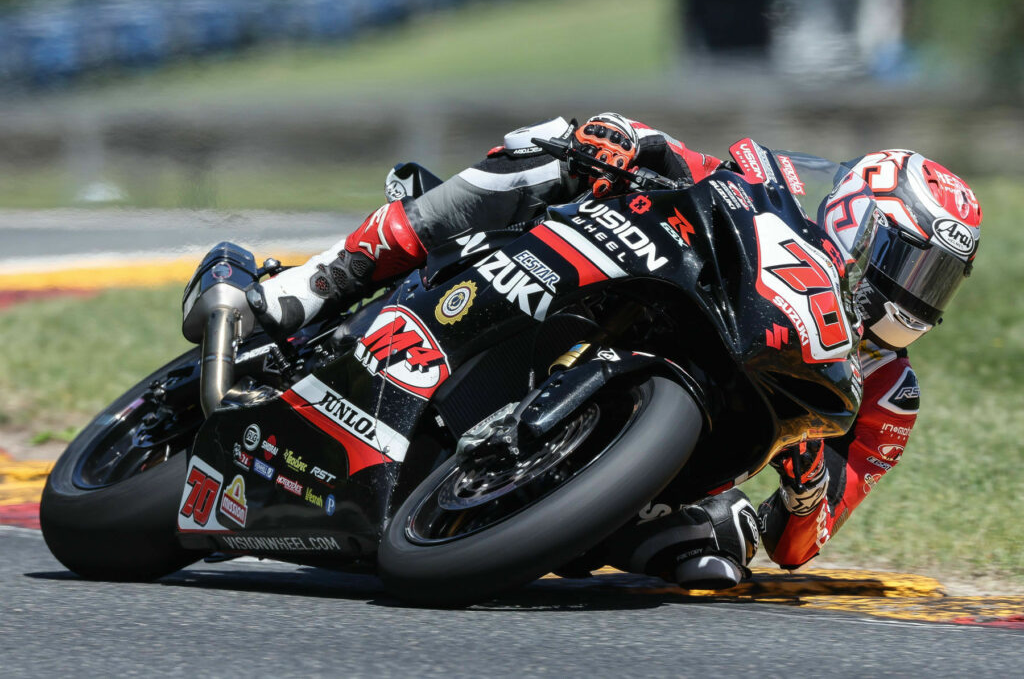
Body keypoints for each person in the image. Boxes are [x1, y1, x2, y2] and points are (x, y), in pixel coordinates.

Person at [245, 113, 983, 589]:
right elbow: (695, 164)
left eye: (938, 282)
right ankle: (320, 281)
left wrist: (804, 471)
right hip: (644, 296)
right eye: (909, 261)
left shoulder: (888, 395)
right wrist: (630, 141)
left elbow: (802, 541)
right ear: (856, 219)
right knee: (550, 149)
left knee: (714, 549)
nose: (917, 296)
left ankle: (523, 509)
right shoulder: (778, 187)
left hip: (689, 460)